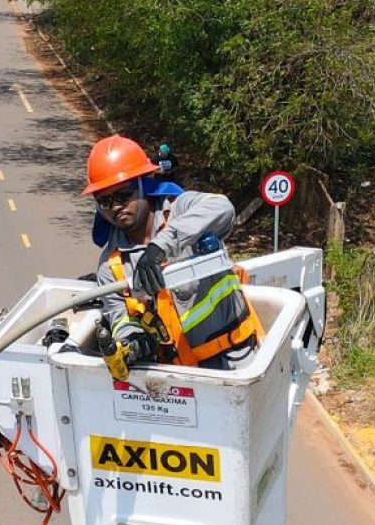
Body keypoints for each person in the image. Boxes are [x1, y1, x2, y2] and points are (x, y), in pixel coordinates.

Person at [84, 135, 262, 370]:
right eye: (105, 201)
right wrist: (133, 341)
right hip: (177, 376)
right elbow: (119, 317)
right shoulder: (111, 265)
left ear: (142, 186)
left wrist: (160, 247)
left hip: (237, 358)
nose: (116, 206)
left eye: (123, 195)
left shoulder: (182, 210)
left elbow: (223, 208)